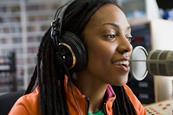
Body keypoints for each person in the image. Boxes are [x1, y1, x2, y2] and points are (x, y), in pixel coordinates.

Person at [9, 0, 146, 115]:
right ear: (74, 47)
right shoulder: (29, 109)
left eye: (128, 37)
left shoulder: (127, 99)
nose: (128, 47)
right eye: (110, 35)